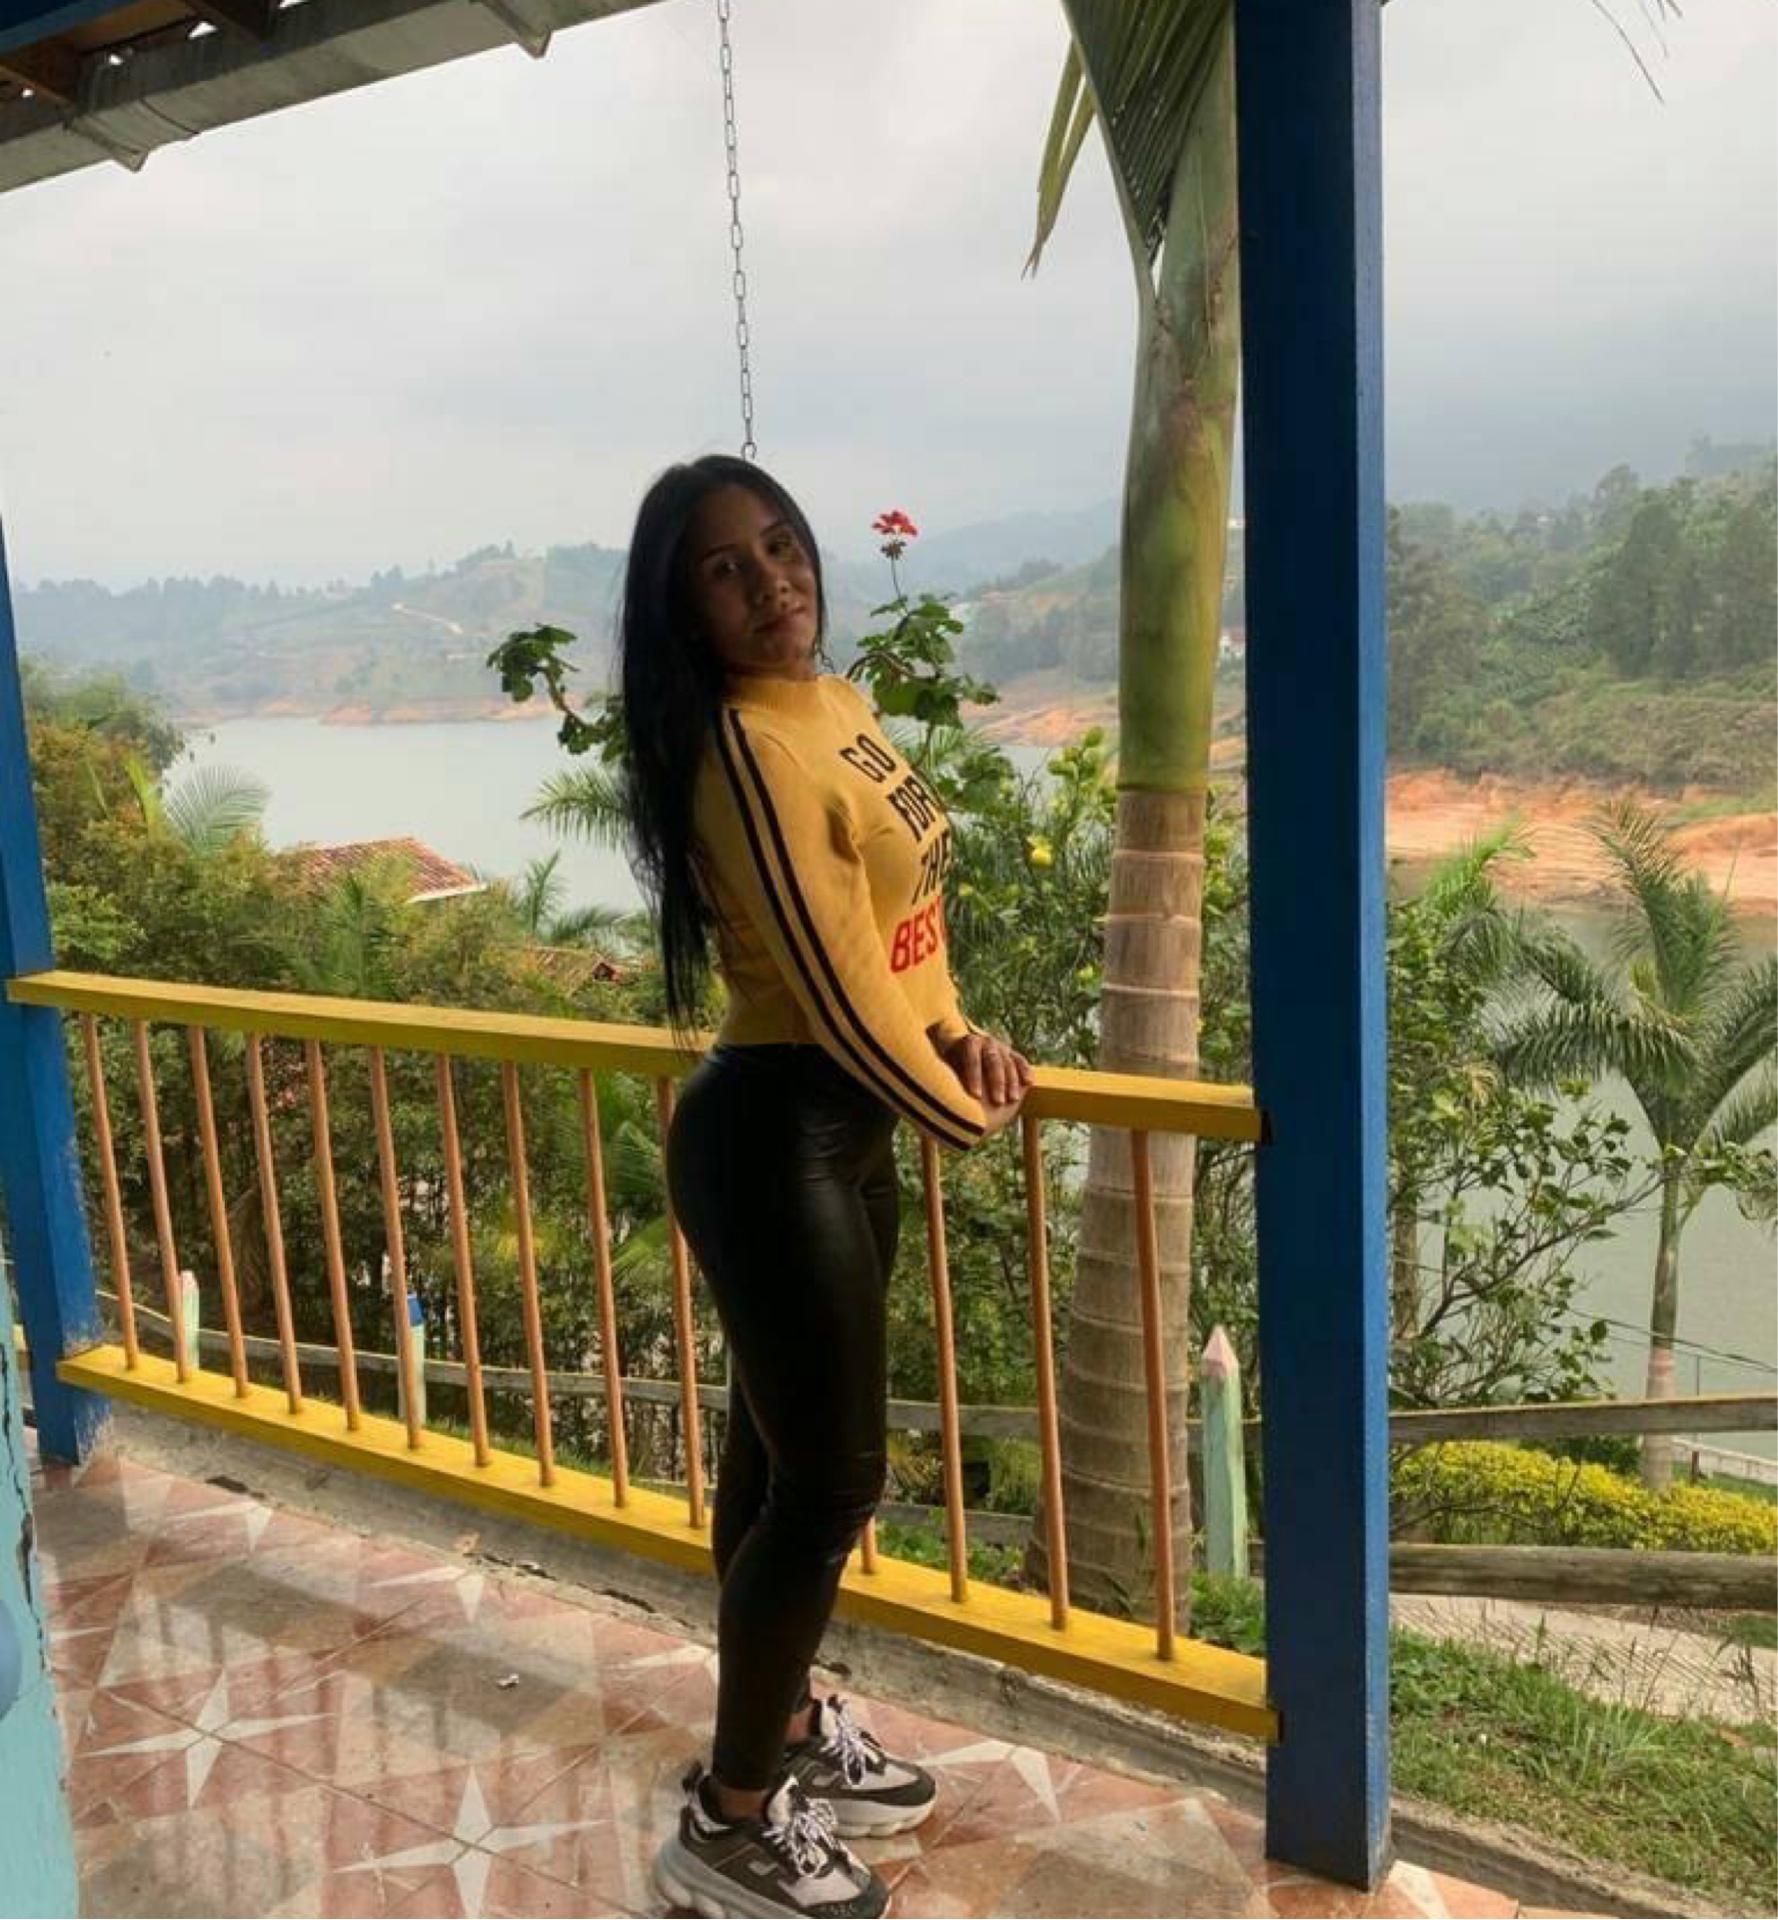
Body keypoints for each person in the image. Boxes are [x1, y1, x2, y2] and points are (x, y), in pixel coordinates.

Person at [617, 454, 1031, 1919]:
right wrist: (961, 1111)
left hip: (845, 1128)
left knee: (777, 1454)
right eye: (725, 568)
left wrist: (959, 1034)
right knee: (834, 1480)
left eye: (780, 547)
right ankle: (730, 1819)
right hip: (776, 1129)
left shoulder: (835, 707)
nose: (770, 582)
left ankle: (783, 1731)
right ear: (684, 607)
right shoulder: (744, 748)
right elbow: (832, 986)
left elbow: (901, 930)